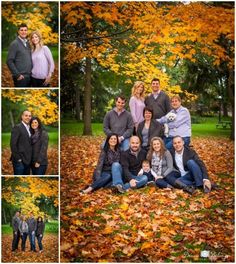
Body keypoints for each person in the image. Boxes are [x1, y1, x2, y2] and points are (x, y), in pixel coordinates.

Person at [10, 110, 32, 175]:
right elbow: (13, 144)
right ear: (22, 116)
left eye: (29, 116)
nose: (28, 117)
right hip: (19, 160)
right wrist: (18, 159)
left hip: (27, 160)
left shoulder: (30, 128)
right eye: (26, 115)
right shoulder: (17, 127)